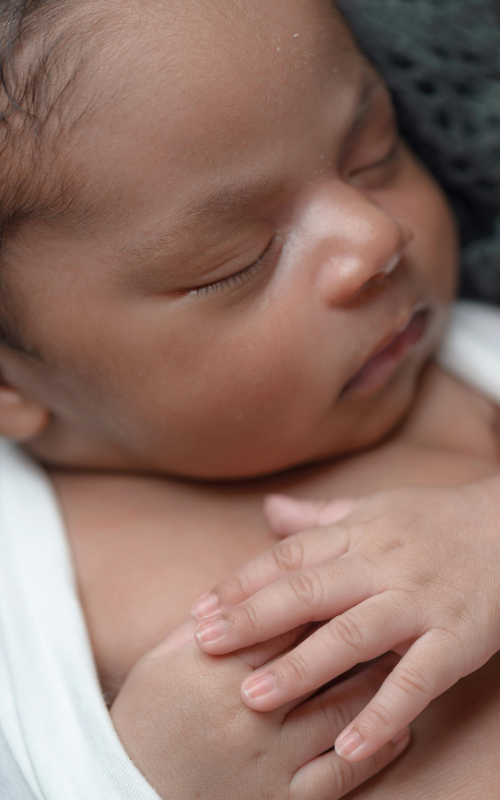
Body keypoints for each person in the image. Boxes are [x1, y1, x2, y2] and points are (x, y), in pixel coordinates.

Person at [1, 0, 500, 797]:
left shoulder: (474, 369)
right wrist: (140, 781)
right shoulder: (17, 598)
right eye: (236, 261)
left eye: (374, 153)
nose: (374, 237)